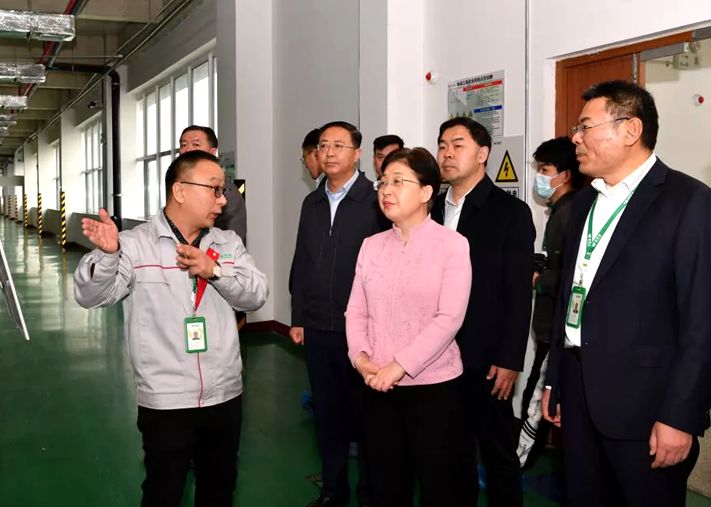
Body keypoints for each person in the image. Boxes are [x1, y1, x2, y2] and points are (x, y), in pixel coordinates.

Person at [542, 80, 711, 507]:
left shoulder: (690, 202)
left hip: (647, 407)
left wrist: (680, 415)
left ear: (630, 130)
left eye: (585, 126)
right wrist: (556, 380)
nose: (575, 138)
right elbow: (570, 295)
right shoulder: (583, 204)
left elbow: (705, 321)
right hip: (579, 393)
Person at [74, 150, 269, 507]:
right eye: (215, 189)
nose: (222, 200)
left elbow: (256, 295)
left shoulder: (226, 243)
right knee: (163, 494)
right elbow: (91, 295)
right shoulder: (135, 245)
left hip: (225, 395)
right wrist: (108, 255)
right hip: (166, 400)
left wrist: (215, 272)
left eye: (223, 191)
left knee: (219, 491)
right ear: (180, 191)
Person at [347, 147, 478, 507]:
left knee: (440, 486)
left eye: (398, 181)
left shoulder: (452, 245)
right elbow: (356, 311)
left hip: (433, 390)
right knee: (386, 484)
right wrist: (360, 358)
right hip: (376, 385)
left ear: (426, 192)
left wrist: (399, 366)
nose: (386, 190)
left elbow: (449, 318)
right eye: (383, 181)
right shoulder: (371, 246)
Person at [432, 117, 534, 507]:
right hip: (436, 353)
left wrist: (509, 359)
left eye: (458, 144)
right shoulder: (432, 209)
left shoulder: (510, 212)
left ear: (482, 154)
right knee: (449, 451)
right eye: (443, 145)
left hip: (485, 356)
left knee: (497, 453)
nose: (447, 153)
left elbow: (517, 294)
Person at [289, 121, 388, 507]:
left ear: (357, 154)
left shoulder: (375, 200)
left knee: (367, 419)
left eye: (338, 146)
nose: (328, 153)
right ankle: (333, 490)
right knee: (328, 416)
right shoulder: (311, 203)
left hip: (364, 331)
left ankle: (370, 495)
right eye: (323, 146)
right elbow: (301, 261)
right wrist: (298, 315)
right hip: (318, 327)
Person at [516, 136, 583, 469]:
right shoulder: (560, 210)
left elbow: (572, 276)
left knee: (536, 398)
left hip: (557, 328)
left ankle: (519, 462)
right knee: (538, 394)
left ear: (565, 174)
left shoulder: (570, 213)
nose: (539, 177)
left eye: (544, 170)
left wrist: (538, 280)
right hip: (548, 327)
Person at [179, 125, 247, 245]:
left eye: (196, 145)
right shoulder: (178, 185)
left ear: (212, 152)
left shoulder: (226, 192)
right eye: (184, 145)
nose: (188, 149)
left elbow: (232, 244)